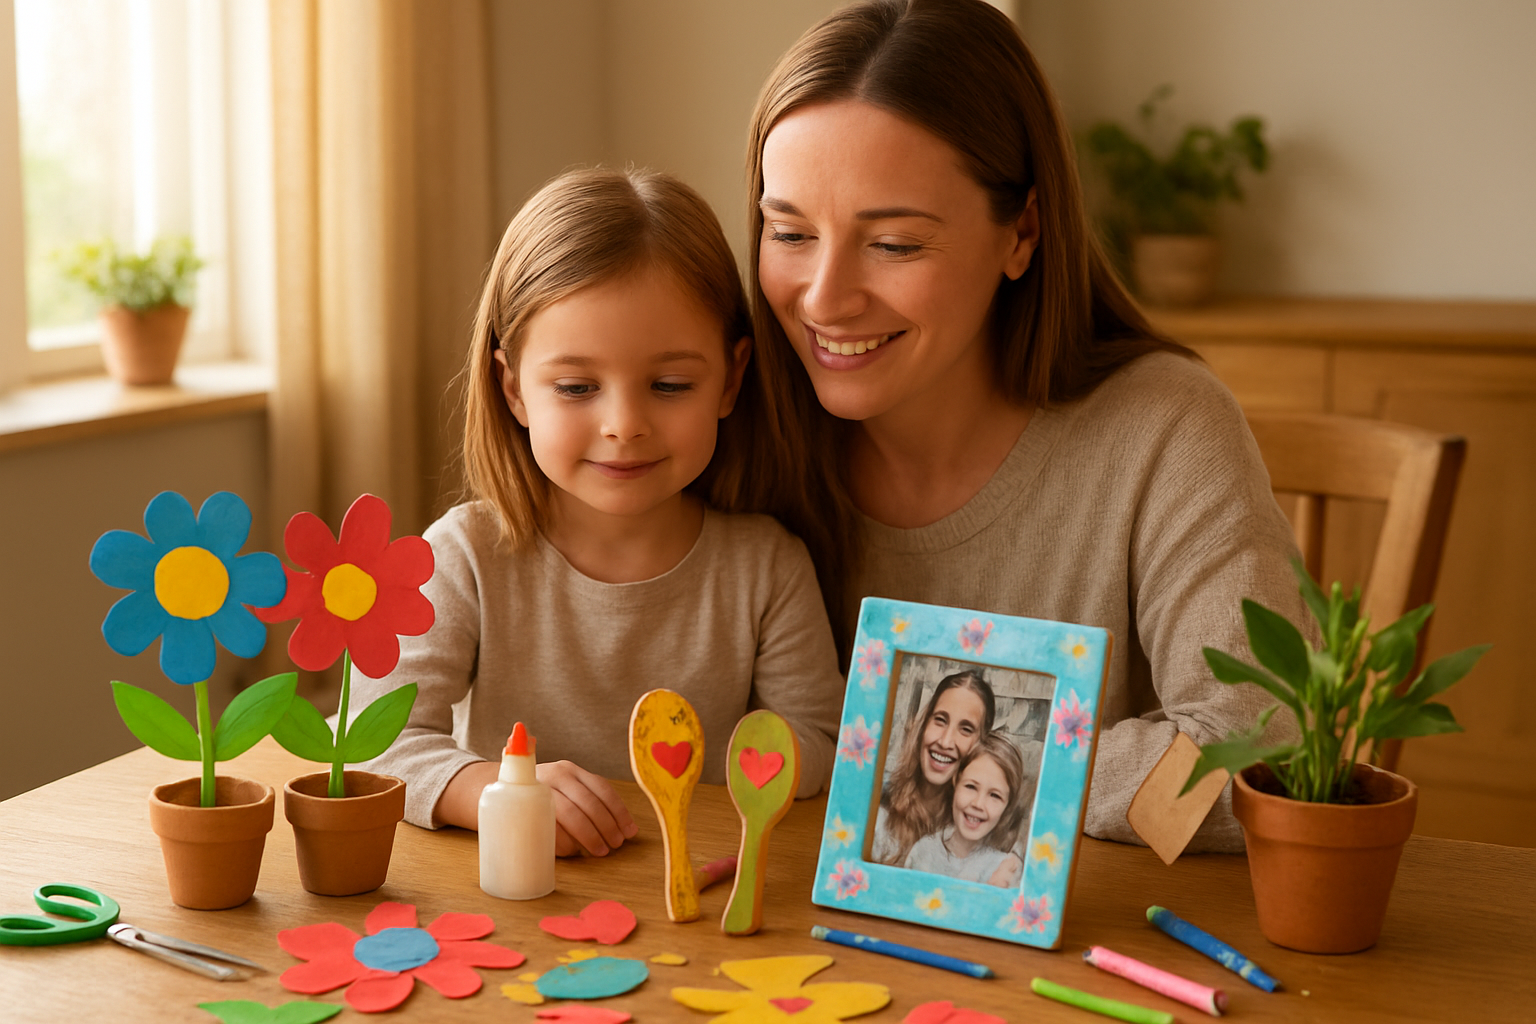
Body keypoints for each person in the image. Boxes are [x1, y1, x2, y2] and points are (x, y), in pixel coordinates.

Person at [746, 0, 1306, 851]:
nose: (822, 298)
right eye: (788, 231)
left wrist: (937, 766)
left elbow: (1269, 762)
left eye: (894, 244)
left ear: (1024, 233)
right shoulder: (724, 427)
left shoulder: (1162, 429)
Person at [351, 168, 842, 857]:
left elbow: (820, 739)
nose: (625, 424)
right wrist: (497, 791)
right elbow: (373, 744)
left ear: (731, 380)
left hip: (698, 897)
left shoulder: (766, 566)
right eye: (577, 386)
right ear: (514, 390)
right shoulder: (464, 555)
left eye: (670, 385)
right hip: (514, 907)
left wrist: (723, 780)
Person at [871, 670, 994, 865]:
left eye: (966, 729)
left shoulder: (981, 830)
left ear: (982, 744)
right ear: (924, 725)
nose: (945, 742)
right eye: (940, 720)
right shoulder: (876, 807)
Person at [905, 730, 1027, 888]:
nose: (978, 803)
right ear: (956, 781)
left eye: (995, 796)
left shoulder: (1007, 871)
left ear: (1008, 804)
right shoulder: (923, 852)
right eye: (971, 786)